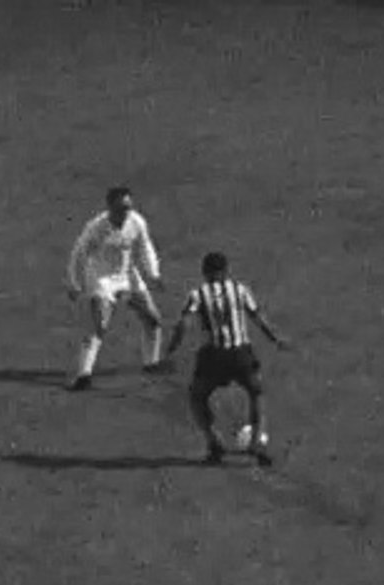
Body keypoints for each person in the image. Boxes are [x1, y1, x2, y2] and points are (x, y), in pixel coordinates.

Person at [162, 252, 290, 466]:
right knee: (256, 392)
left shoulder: (198, 294)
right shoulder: (240, 290)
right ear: (226, 271)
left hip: (213, 356)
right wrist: (275, 339)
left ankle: (214, 444)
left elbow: (184, 323)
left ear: (204, 273)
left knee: (197, 396)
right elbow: (257, 317)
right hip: (240, 353)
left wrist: (172, 347)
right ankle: (258, 442)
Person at [65, 187, 167, 391]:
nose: (125, 213)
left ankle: (151, 363)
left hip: (128, 276)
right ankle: (84, 374)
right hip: (102, 279)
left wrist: (153, 274)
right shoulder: (96, 228)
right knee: (99, 325)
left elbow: (145, 247)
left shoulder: (136, 222)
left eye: (128, 208)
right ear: (110, 207)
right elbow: (79, 254)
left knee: (153, 319)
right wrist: (75, 283)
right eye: (121, 208)